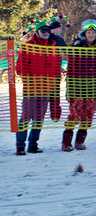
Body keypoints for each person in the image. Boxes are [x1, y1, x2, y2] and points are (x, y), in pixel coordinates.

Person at [15, 21, 61, 155]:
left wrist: (55, 81)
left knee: (39, 118)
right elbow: (19, 68)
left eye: (47, 30)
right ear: (37, 31)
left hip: (47, 88)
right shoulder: (28, 46)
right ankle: (20, 146)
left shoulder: (53, 47)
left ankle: (33, 145)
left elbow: (56, 67)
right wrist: (30, 79)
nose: (46, 32)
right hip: (31, 88)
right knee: (26, 116)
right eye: (42, 30)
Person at [62, 20, 96, 152]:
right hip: (78, 87)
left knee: (88, 116)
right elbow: (70, 69)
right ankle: (66, 143)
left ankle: (79, 141)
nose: (91, 34)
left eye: (93, 32)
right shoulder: (77, 46)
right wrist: (70, 91)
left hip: (93, 88)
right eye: (88, 32)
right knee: (74, 115)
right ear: (84, 33)